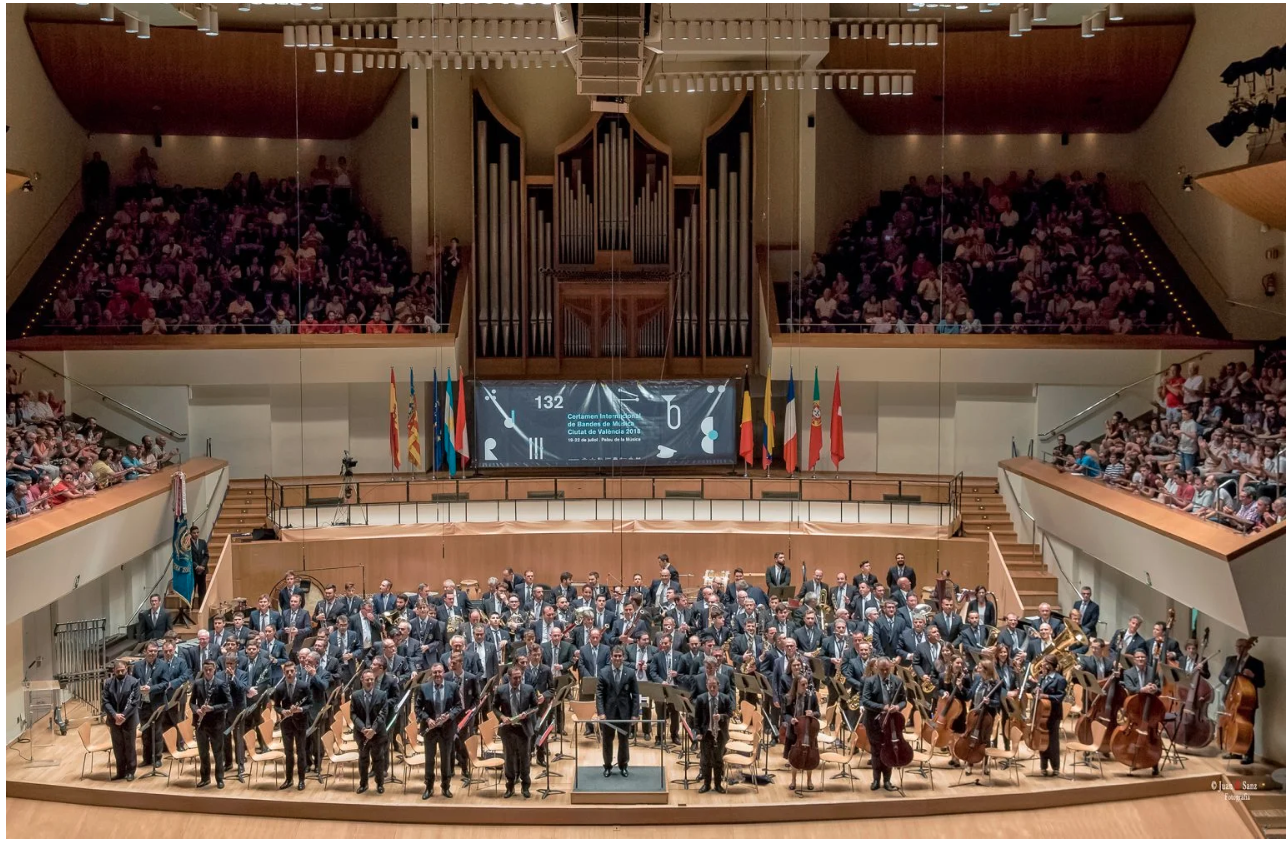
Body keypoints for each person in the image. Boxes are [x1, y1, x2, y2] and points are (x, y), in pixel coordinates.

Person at [415, 662, 462, 799]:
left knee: (446, 759)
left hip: (446, 729)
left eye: (440, 672)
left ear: (444, 672)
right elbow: (418, 708)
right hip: (430, 729)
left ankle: (445, 787)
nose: (437, 675)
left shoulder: (452, 686)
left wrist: (449, 716)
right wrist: (427, 719)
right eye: (435, 672)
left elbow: (458, 706)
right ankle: (429, 787)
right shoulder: (424, 687)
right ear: (431, 673)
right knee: (429, 759)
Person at [1218, 638, 1266, 766]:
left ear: (1248, 647)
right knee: (1231, 724)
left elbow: (1262, 683)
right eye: (1237, 646)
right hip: (1231, 698)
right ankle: (1234, 750)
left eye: (1242, 646)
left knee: (1247, 727)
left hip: (1246, 701)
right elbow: (1221, 676)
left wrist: (1252, 676)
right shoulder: (1230, 660)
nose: (1239, 649)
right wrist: (1228, 681)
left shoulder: (1256, 663)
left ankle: (1248, 755)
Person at [494, 664, 538, 798]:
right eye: (515, 678)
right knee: (509, 759)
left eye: (520, 678)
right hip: (508, 730)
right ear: (509, 677)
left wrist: (527, 713)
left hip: (523, 729)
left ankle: (525, 786)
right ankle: (510, 786)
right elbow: (494, 707)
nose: (518, 680)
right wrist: (502, 717)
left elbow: (535, 706)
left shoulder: (528, 689)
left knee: (525, 758)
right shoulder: (501, 690)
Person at [861, 657, 905, 791]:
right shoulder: (869, 681)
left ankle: (887, 781)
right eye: (882, 670)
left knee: (889, 750)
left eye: (887, 669)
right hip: (873, 722)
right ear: (876, 668)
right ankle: (876, 780)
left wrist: (897, 707)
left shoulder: (897, 681)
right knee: (875, 751)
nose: (885, 672)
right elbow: (866, 701)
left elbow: (904, 700)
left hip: (891, 723)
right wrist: (882, 707)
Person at [596, 645, 639, 778]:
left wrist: (634, 714)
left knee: (624, 741)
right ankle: (607, 766)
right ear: (611, 657)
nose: (617, 658)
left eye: (620, 656)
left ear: (623, 657)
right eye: (615, 656)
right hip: (608, 714)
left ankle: (623, 765)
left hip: (624, 713)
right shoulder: (603, 672)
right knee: (607, 741)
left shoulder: (630, 673)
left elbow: (635, 695)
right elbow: (599, 695)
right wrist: (601, 713)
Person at [190, 660, 231, 789]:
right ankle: (205, 778)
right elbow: (192, 702)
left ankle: (219, 779)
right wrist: (196, 710)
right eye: (205, 670)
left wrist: (212, 708)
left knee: (217, 752)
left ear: (214, 670)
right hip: (201, 723)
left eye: (210, 670)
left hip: (216, 723)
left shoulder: (221, 684)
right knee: (203, 752)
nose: (208, 672)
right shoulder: (197, 683)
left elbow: (228, 703)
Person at [272, 661, 311, 790]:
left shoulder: (304, 686)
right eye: (287, 671)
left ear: (296, 671)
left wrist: (300, 709)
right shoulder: (279, 688)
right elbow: (276, 706)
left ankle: (301, 780)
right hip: (287, 724)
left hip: (300, 723)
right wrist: (282, 711)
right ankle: (289, 779)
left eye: (292, 671)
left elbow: (310, 704)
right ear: (284, 673)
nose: (289, 673)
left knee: (301, 752)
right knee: (288, 753)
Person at [782, 662, 821, 791]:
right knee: (794, 756)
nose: (805, 687)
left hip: (809, 731)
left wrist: (813, 713)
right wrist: (790, 719)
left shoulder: (812, 697)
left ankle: (809, 780)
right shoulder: (789, 698)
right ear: (796, 685)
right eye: (803, 685)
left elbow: (818, 713)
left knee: (810, 755)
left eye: (806, 684)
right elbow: (785, 714)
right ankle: (793, 780)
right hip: (795, 731)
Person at [101, 660, 140, 781]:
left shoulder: (134, 682)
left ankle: (131, 771)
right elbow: (105, 701)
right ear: (114, 671)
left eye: (122, 670)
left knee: (129, 746)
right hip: (114, 720)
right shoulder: (108, 683)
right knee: (118, 747)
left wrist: (123, 716)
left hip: (128, 719)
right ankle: (120, 772)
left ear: (126, 669)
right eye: (118, 671)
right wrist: (114, 715)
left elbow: (134, 702)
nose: (121, 673)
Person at [693, 674, 733, 794]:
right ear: (706, 686)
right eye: (710, 686)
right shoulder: (701, 699)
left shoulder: (725, 698)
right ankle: (706, 784)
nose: (712, 689)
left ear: (718, 686)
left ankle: (718, 785)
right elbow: (697, 718)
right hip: (707, 734)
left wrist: (721, 716)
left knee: (718, 760)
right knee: (706, 761)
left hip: (720, 734)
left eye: (714, 686)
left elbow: (730, 713)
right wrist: (698, 732)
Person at [1027, 655, 1066, 776]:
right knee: (1041, 739)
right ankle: (1043, 766)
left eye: (1044, 663)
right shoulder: (1042, 677)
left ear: (1050, 665)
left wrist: (1046, 696)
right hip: (1041, 713)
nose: (1042, 665)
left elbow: (1060, 697)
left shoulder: (1060, 679)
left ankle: (1055, 767)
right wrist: (1035, 692)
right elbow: (1035, 692)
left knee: (1053, 741)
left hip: (1053, 714)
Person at [189, 525, 210, 607]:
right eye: (194, 533)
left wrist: (202, 566)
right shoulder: (188, 544)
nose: (196, 534)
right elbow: (188, 558)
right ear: (191, 534)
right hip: (193, 571)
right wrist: (197, 566)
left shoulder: (203, 542)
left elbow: (206, 555)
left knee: (202, 590)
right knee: (192, 590)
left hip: (202, 570)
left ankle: (202, 607)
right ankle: (190, 607)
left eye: (197, 532)